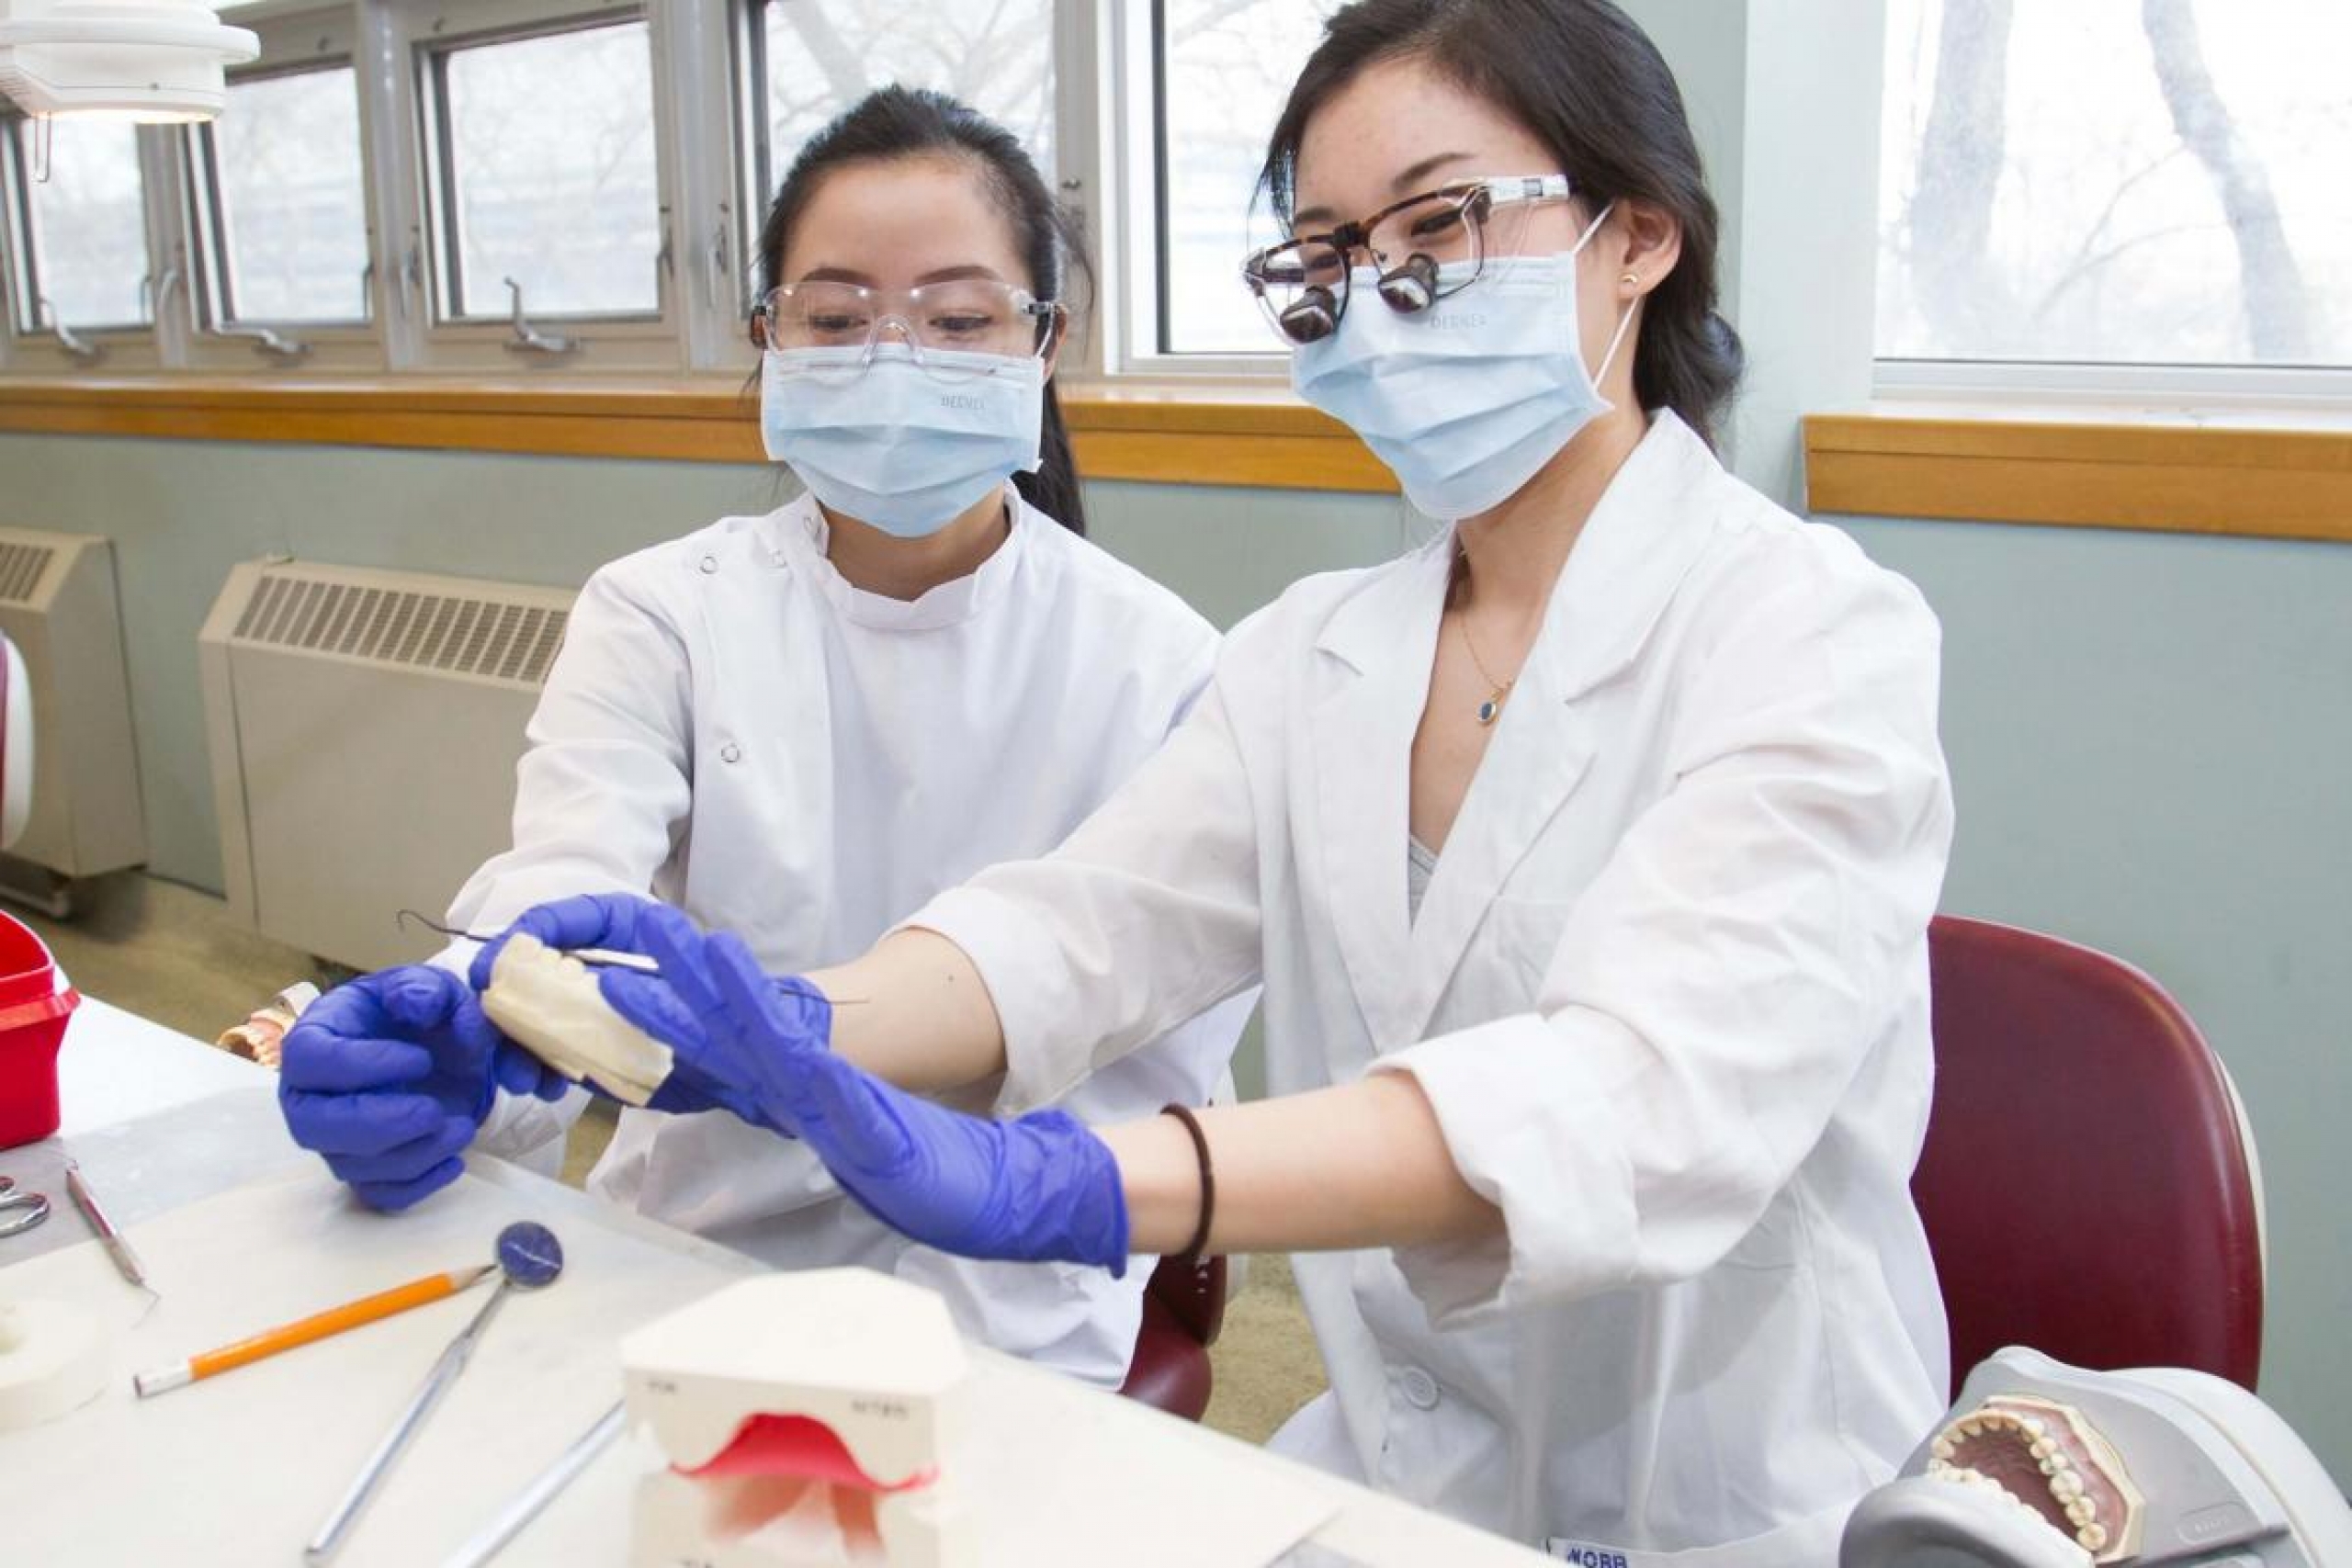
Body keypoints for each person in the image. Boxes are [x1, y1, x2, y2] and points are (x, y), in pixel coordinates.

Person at [496, 0, 1956, 1560]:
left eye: (1440, 225)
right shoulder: (1315, 655)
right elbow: (1079, 930)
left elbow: (1637, 1096)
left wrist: (1084, 1181)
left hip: (1730, 1504)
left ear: (1639, 237)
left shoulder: (1811, 631)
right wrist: (770, 1029)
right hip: (1394, 1476)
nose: (1382, 296)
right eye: (1330, 253)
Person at [272, 86, 1248, 1389]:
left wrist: (801, 1043)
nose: (894, 360)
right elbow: (570, 882)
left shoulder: (1165, 663)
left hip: (1005, 1290)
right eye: (837, 320)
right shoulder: (664, 611)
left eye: (959, 320)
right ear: (770, 338)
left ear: (1045, 340)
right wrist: (465, 1034)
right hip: (694, 1250)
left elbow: (1136, 1028)